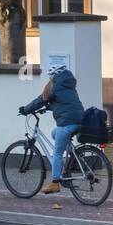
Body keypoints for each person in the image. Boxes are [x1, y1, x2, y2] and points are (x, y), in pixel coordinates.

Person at [19, 63, 84, 195]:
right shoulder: (68, 84)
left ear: (54, 75)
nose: (49, 78)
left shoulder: (55, 85)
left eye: (50, 76)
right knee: (55, 133)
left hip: (66, 122)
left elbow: (40, 100)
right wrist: (49, 108)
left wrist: (26, 110)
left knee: (57, 153)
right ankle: (74, 157)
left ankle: (55, 183)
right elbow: (63, 101)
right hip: (79, 120)